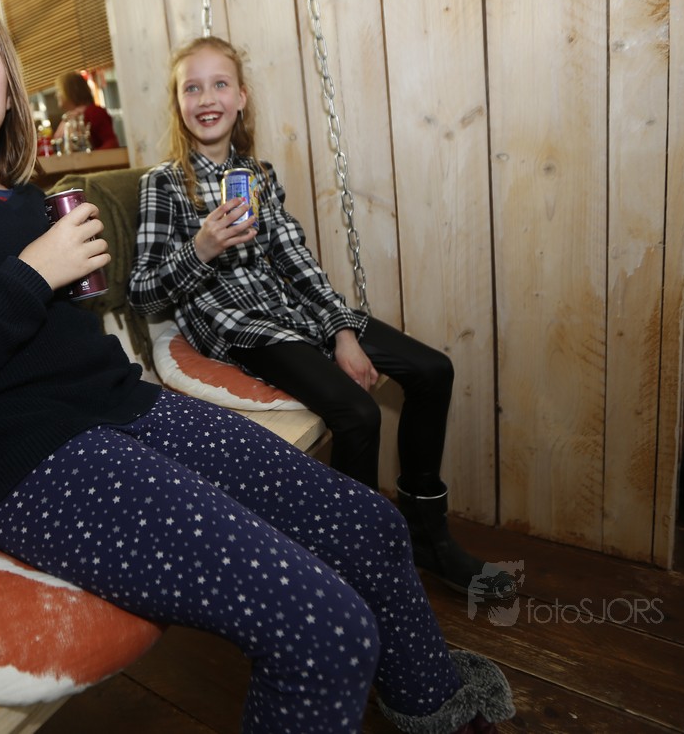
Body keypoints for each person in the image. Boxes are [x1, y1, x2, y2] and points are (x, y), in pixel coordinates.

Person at [0, 0, 514, 734]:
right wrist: (33, 273)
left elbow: (55, 344)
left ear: (7, 78)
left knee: (372, 526)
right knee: (325, 632)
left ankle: (437, 708)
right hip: (21, 455)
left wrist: (60, 282)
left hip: (127, 408)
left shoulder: (28, 200)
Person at [128, 35, 515, 602]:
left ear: (241, 97)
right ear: (178, 102)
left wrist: (342, 331)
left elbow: (297, 262)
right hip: (236, 324)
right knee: (359, 414)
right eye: (192, 88)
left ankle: (426, 536)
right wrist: (202, 248)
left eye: (219, 84)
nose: (206, 98)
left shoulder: (258, 175)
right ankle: (354, 565)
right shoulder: (163, 183)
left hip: (291, 311)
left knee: (434, 370)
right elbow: (142, 294)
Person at [53, 70, 119, 149]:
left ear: (71, 90)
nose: (56, 95)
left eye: (59, 90)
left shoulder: (94, 112)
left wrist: (91, 156)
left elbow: (111, 143)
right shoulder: (66, 119)